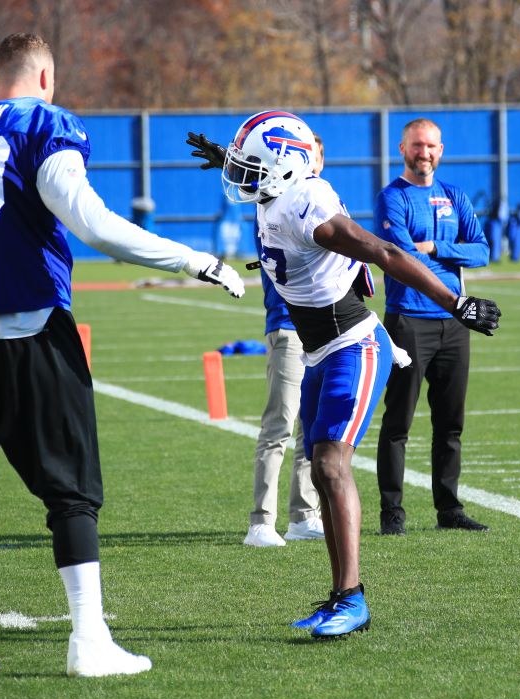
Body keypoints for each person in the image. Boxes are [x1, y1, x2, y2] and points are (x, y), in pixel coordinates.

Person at [0, 33, 246, 679]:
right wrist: (194, 259)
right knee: (73, 493)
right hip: (33, 331)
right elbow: (91, 223)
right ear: (46, 76)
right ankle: (89, 640)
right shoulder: (46, 124)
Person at [189, 111, 500, 639]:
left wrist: (456, 301)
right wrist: (230, 157)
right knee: (321, 465)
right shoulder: (277, 194)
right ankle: (340, 596)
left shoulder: (307, 203)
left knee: (331, 464)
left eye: (251, 166)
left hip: (351, 346)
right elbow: (272, 187)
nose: (241, 176)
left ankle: (353, 599)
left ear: (284, 169)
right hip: (319, 351)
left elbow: (385, 252)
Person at [191, 132, 326, 548]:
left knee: (313, 428)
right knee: (280, 423)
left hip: (325, 328)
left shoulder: (317, 200)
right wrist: (233, 163)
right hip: (289, 324)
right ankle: (261, 521)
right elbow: (256, 185)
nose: (312, 166)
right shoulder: (275, 200)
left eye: (316, 159)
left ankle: (304, 514)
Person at [374, 118, 493, 536]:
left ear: (441, 151)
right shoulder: (392, 198)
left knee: (450, 423)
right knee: (398, 423)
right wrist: (430, 256)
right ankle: (393, 512)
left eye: (431, 147)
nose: (424, 153)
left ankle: (449, 510)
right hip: (407, 321)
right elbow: (402, 258)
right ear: (402, 149)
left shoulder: (454, 196)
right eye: (417, 146)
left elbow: (481, 251)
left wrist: (437, 247)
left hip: (455, 323)